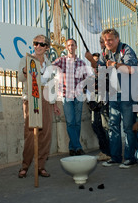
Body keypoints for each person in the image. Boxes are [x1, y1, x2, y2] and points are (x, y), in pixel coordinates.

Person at [86, 28, 138, 168]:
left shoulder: (126, 49)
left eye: (110, 40)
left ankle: (130, 158)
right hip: (114, 93)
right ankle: (115, 157)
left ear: (117, 39)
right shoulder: (105, 53)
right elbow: (101, 71)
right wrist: (92, 61)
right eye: (105, 40)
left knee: (128, 127)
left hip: (128, 93)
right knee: (113, 126)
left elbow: (132, 69)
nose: (107, 42)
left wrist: (115, 65)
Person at [17, 35, 61, 178]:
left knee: (45, 133)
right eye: (36, 43)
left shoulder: (49, 64)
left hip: (47, 98)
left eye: (42, 44)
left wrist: (54, 104)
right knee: (30, 133)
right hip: (31, 97)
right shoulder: (26, 59)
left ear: (47, 47)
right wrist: (25, 70)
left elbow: (52, 84)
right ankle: (25, 166)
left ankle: (41, 166)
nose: (38, 46)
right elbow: (20, 78)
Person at [52, 38, 93, 156]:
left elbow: (89, 78)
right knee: (70, 122)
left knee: (77, 122)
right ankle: (78, 146)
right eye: (69, 45)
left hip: (78, 95)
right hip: (66, 95)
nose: (71, 47)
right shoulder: (61, 61)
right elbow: (50, 67)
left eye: (73, 45)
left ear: (76, 47)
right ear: (66, 47)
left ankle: (72, 147)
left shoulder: (81, 62)